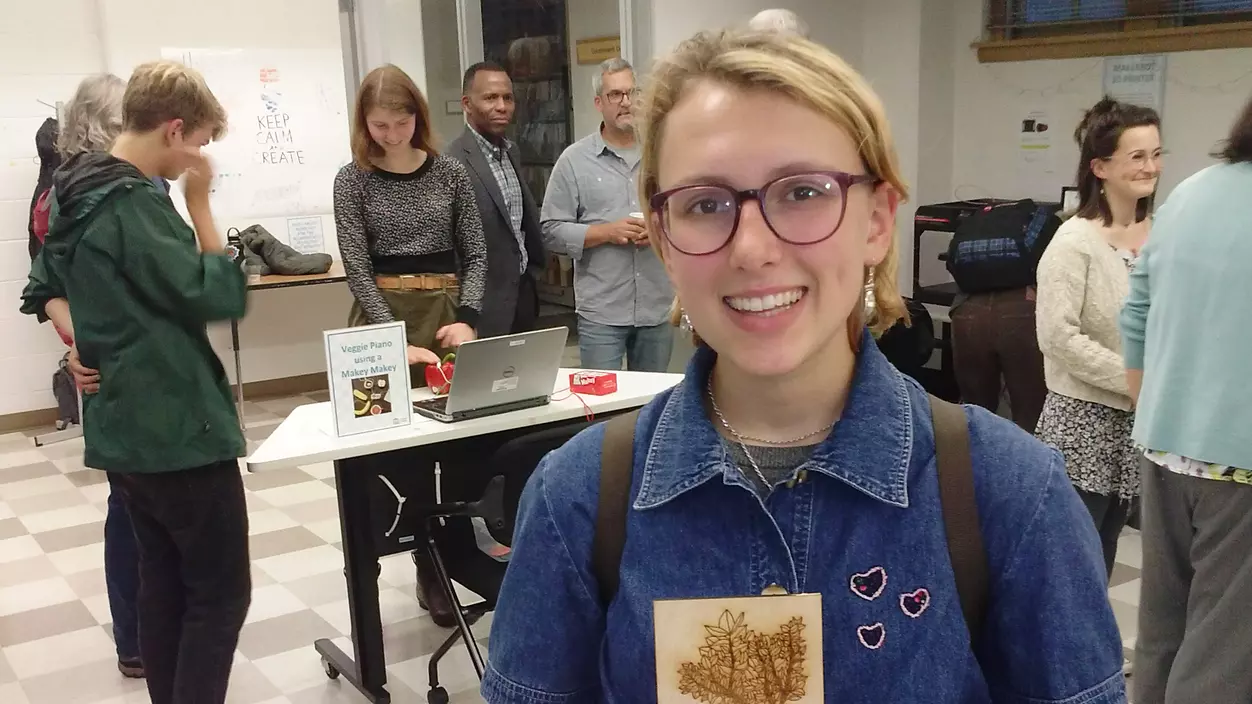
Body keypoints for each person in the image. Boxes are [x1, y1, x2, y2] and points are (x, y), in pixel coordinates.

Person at [483, 30, 1125, 703]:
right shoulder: (577, 502)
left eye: (803, 192)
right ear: (664, 238)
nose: (754, 248)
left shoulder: (1013, 497)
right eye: (705, 204)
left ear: (877, 220)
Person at [19, 60, 251, 704]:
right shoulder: (131, 202)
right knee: (220, 592)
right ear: (174, 130)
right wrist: (202, 208)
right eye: (200, 141)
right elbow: (216, 295)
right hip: (174, 425)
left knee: (164, 579)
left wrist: (85, 344)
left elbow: (45, 288)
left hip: (122, 424)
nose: (199, 156)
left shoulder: (72, 188)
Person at [333, 64, 488, 627]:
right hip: (379, 320)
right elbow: (356, 266)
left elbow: (475, 252)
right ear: (364, 123)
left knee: (450, 447)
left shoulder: (449, 173)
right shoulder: (352, 179)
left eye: (401, 123)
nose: (392, 135)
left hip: (445, 313)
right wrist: (388, 340)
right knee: (384, 448)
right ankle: (372, 568)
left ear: (417, 118)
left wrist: (468, 319)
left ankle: (438, 564)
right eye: (380, 125)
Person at [1122, 96, 1252, 704]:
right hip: (1241, 463)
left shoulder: (1194, 191)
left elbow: (1137, 307)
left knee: (1161, 628)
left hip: (1163, 442)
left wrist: (1153, 410)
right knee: (1223, 648)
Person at [31, 73, 146, 681]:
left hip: (156, 370)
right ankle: (134, 639)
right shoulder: (66, 193)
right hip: (112, 375)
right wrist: (80, 340)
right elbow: (46, 287)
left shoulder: (144, 181)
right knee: (128, 506)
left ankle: (161, 626)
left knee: (152, 507)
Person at [1035, 97, 1160, 581]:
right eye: (1136, 156)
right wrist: (1136, 380)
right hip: (1082, 419)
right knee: (1071, 554)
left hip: (1137, 419)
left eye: (1155, 154)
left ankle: (1095, 651)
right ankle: (1063, 653)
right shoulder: (1075, 242)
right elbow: (1057, 337)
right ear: (1100, 167)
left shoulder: (1162, 234)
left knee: (1106, 548)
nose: (1150, 167)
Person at [541, 58, 674, 372]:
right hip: (602, 311)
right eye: (616, 95)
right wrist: (606, 232)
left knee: (651, 404)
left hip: (657, 306)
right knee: (602, 407)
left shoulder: (664, 153)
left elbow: (689, 213)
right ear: (599, 103)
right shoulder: (574, 161)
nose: (626, 102)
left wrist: (658, 227)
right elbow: (550, 230)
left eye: (632, 93)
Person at [448, 61, 545, 338]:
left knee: (526, 378)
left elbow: (520, 225)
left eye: (508, 98)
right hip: (483, 304)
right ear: (467, 103)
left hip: (523, 294)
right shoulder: (453, 162)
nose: (502, 106)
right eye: (490, 98)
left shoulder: (511, 152)